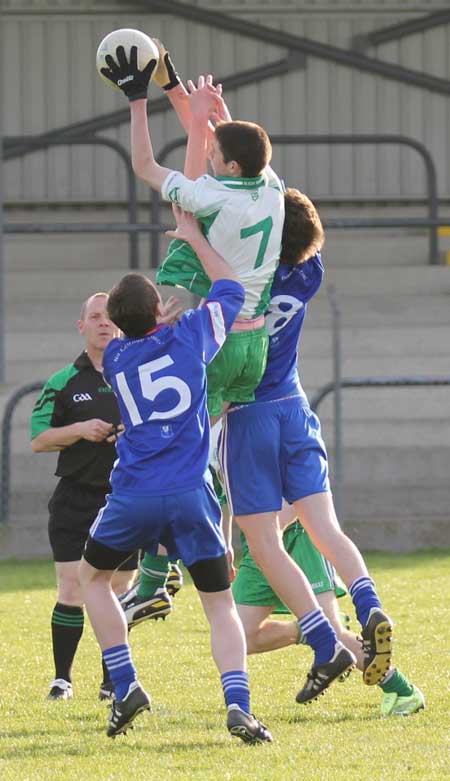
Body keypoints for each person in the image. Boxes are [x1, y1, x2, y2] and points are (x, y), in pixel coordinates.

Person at [100, 42, 285, 625]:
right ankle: (217, 543)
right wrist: (201, 102)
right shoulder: (272, 188)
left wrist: (138, 99)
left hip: (215, 324)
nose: (204, 140)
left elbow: (151, 168)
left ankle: (156, 575)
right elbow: (219, 144)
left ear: (225, 164)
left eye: (212, 144)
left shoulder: (203, 203)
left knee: (177, 446)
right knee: (209, 449)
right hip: (253, 344)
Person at [78, 222, 272, 743]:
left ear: (117, 324)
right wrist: (195, 238)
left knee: (91, 580)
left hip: (135, 494)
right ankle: (239, 707)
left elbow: (128, 336)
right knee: (219, 604)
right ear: (160, 309)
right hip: (190, 493)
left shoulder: (114, 359)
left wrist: (148, 323)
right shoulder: (190, 338)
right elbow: (231, 287)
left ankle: (125, 684)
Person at [219, 188, 396, 702]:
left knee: (263, 543)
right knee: (327, 530)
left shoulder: (247, 282)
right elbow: (288, 221)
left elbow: (246, 215)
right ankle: (367, 605)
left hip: (250, 416)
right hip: (296, 410)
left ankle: (324, 640)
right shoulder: (311, 272)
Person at [30, 292, 139, 701]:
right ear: (82, 326)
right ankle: (62, 679)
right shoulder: (63, 382)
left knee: (118, 592)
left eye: (110, 317)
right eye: (94, 316)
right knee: (72, 589)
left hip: (125, 498)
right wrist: (81, 429)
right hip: (75, 499)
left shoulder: (136, 374)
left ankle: (113, 680)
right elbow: (39, 439)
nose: (103, 323)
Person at [233, 510, 425, 717]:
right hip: (259, 546)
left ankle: (402, 691)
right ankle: (313, 629)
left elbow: (301, 490)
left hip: (297, 538)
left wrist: (272, 528)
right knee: (238, 637)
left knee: (334, 633)